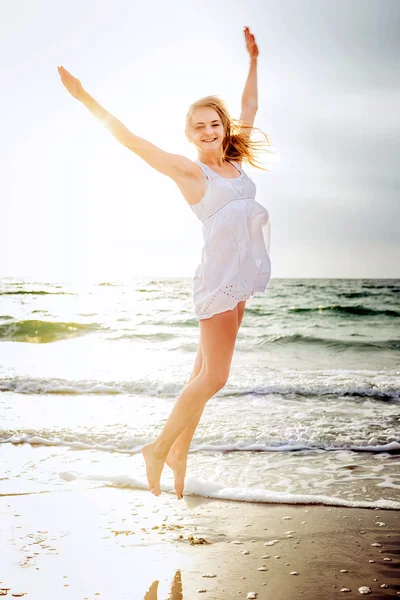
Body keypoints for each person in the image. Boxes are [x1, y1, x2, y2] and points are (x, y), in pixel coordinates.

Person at [57, 26, 273, 500]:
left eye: (214, 123)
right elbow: (132, 141)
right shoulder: (188, 170)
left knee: (200, 376)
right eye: (198, 126)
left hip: (241, 281)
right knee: (216, 377)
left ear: (223, 127)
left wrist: (254, 61)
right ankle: (156, 448)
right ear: (188, 134)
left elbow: (250, 108)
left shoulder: (235, 162)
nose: (208, 130)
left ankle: (180, 452)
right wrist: (84, 98)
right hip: (218, 281)